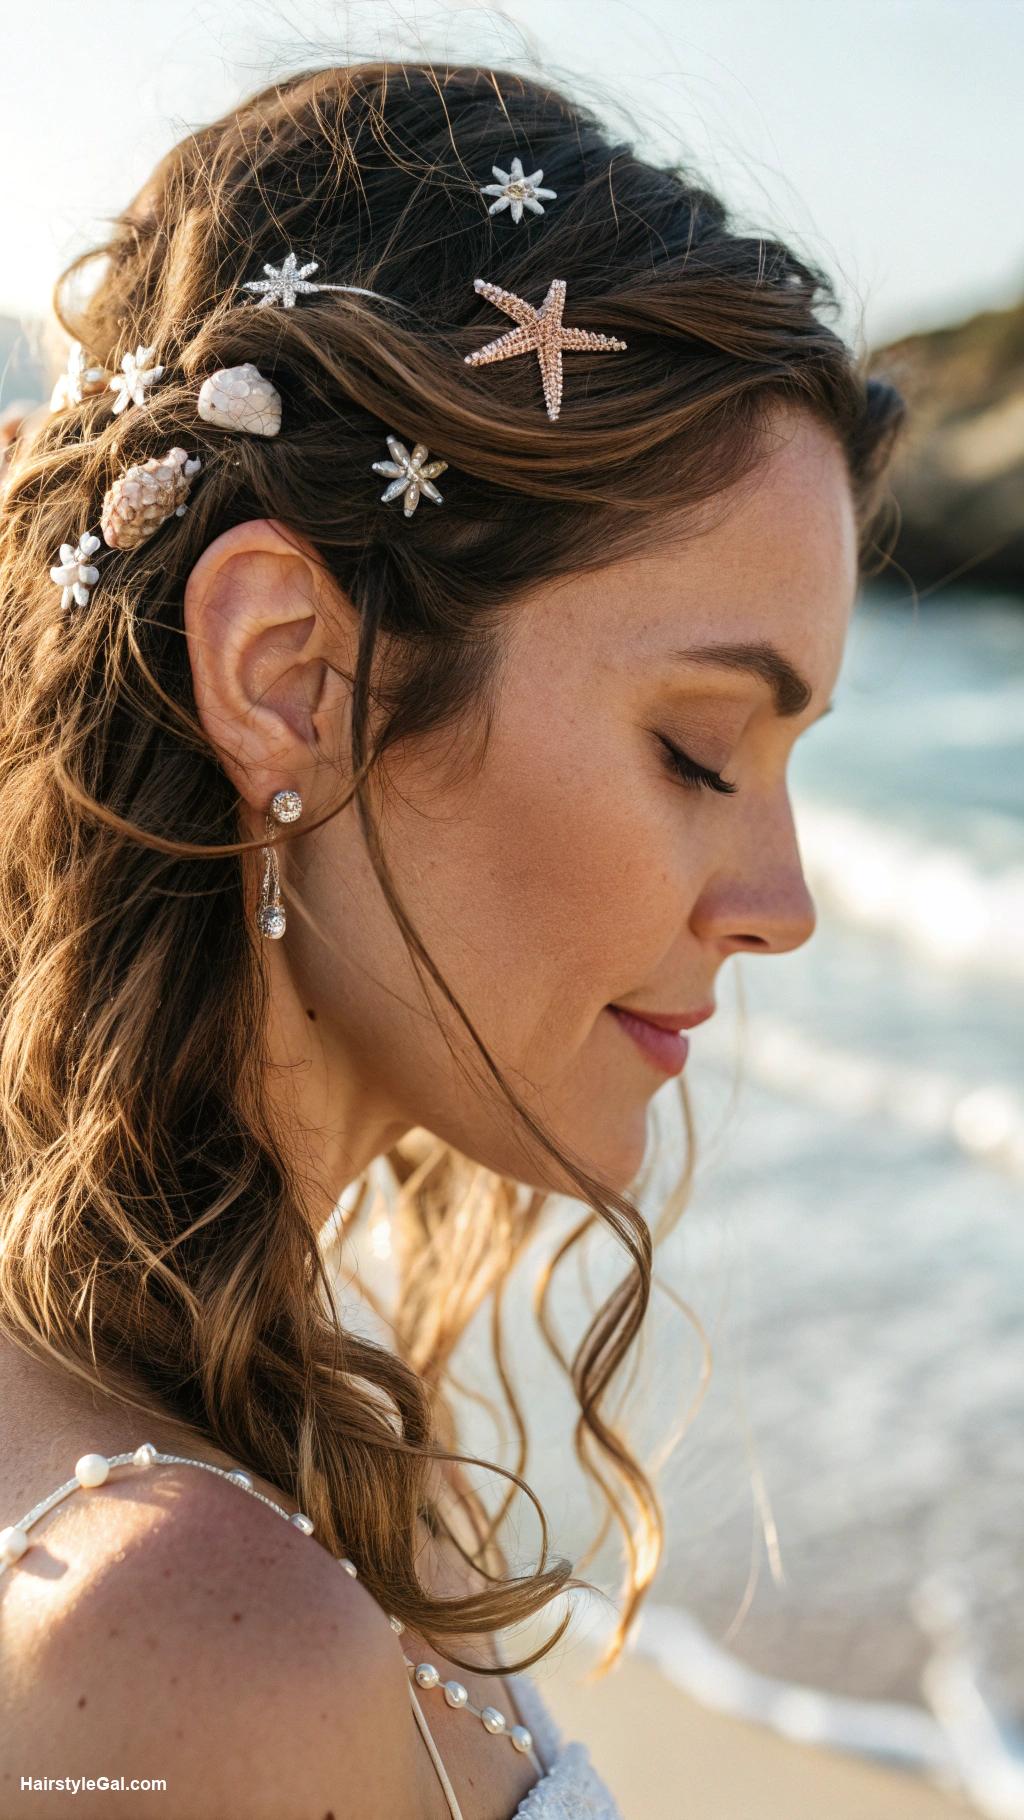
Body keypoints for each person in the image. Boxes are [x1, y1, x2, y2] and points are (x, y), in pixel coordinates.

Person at [0, 58, 906, 1820]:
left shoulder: (252, 1445)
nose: (783, 903)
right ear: (292, 675)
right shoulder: (207, 1646)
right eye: (700, 751)